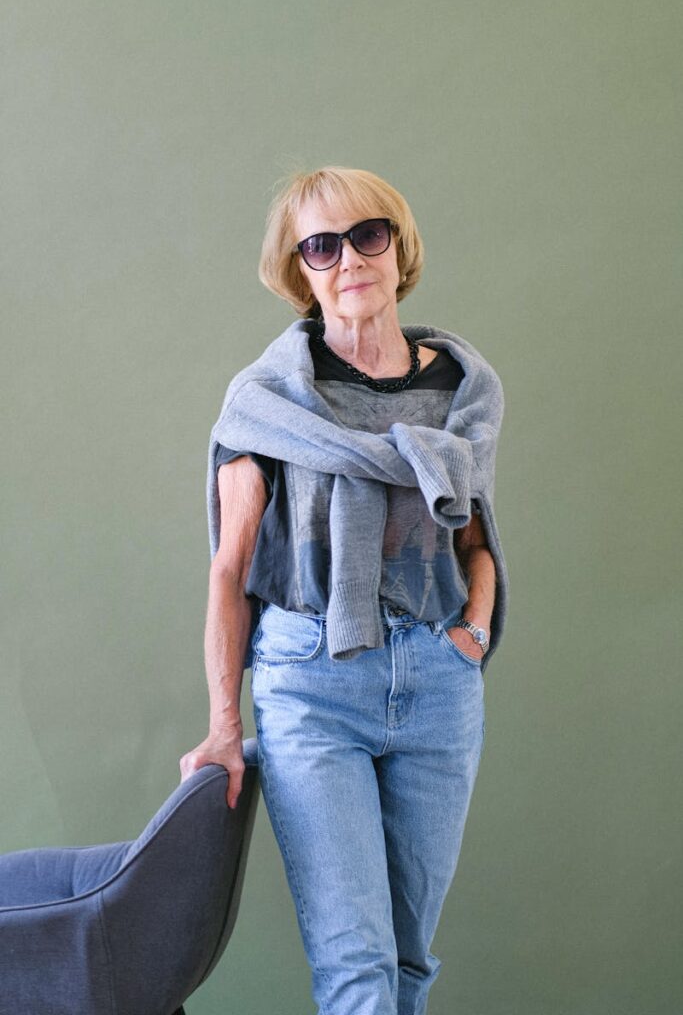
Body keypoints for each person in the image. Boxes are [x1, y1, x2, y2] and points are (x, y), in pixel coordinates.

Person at [180, 166, 509, 1015]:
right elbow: (230, 566)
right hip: (312, 681)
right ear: (299, 270)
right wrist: (223, 726)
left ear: (398, 249)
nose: (348, 258)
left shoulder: (462, 392)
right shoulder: (267, 402)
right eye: (320, 246)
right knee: (356, 968)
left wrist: (468, 634)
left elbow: (474, 539)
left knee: (407, 963)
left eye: (368, 235)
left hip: (437, 682)